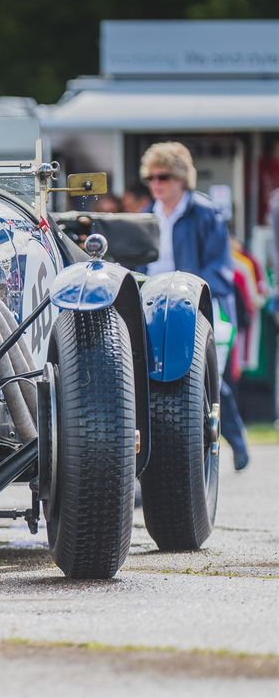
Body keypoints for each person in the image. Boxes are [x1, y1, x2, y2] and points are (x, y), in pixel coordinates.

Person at [141, 142, 249, 471]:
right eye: (150, 177)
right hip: (154, 306)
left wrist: (188, 291)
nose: (156, 184)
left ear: (181, 178)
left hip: (196, 305)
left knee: (208, 377)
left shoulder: (206, 213)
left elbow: (220, 269)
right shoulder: (146, 215)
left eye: (163, 177)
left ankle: (235, 441)